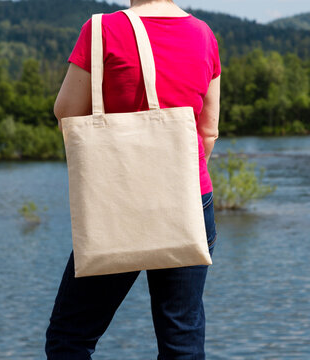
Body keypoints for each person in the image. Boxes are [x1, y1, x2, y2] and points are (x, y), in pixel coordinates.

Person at [46, 0, 221, 358]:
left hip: (119, 201)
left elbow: (66, 112)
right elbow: (208, 132)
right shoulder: (204, 35)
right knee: (181, 341)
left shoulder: (101, 30)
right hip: (189, 198)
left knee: (71, 336)